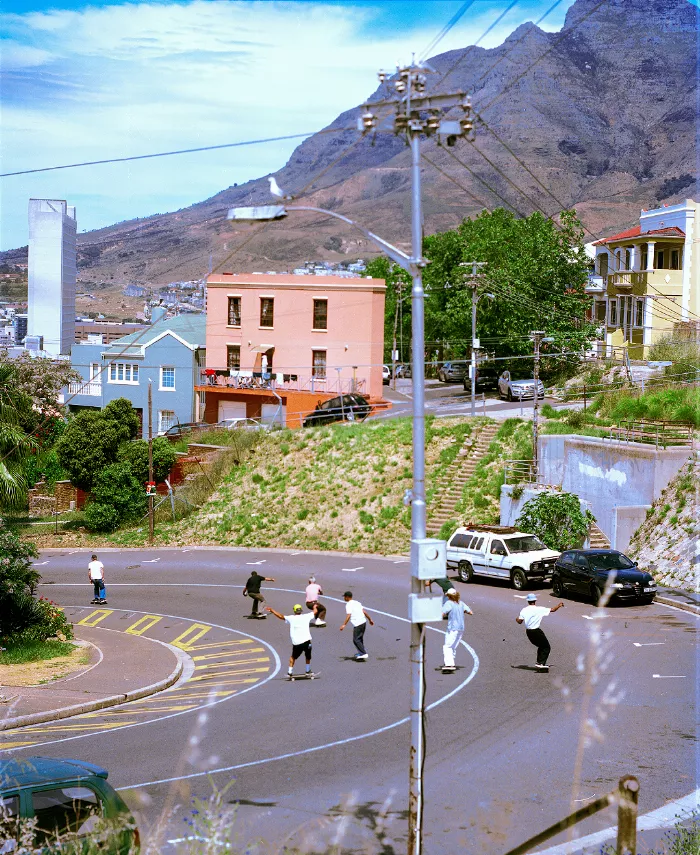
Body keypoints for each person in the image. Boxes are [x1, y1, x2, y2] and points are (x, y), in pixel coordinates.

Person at [516, 592, 564, 671]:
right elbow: (553, 610)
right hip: (536, 631)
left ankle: (539, 663)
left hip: (528, 632)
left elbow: (519, 621)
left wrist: (516, 619)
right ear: (535, 601)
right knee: (546, 647)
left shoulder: (524, 610)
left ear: (528, 601)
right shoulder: (539, 609)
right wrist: (559, 605)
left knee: (541, 646)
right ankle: (540, 663)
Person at [266, 604, 315, 678]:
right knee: (308, 656)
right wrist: (316, 605)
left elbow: (281, 616)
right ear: (301, 610)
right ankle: (307, 670)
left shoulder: (291, 618)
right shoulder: (306, 616)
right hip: (306, 641)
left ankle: (290, 672)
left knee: (293, 657)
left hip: (297, 642)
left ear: (294, 610)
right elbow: (315, 611)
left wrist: (272, 610)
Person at [441, 589, 473, 672]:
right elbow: (470, 612)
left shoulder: (449, 603)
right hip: (461, 628)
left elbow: (442, 613)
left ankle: (449, 664)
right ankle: (451, 662)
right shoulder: (461, 603)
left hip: (452, 628)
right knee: (453, 646)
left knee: (447, 646)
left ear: (449, 596)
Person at [339, 591, 374, 660]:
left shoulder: (348, 605)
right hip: (363, 622)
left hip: (357, 623)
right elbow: (364, 612)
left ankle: (363, 653)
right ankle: (361, 652)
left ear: (347, 597)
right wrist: (370, 619)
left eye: (344, 597)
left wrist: (344, 625)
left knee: (356, 640)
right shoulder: (357, 602)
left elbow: (349, 615)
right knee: (360, 638)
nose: (344, 598)